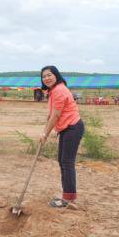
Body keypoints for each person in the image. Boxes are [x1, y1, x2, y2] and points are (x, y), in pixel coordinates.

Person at [40, 66, 85, 208]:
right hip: (67, 129)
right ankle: (67, 195)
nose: (47, 78)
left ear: (56, 75)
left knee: (67, 162)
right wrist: (44, 131)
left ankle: (69, 199)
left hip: (72, 128)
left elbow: (56, 115)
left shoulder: (59, 90)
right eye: (44, 76)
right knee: (63, 161)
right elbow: (51, 114)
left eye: (49, 75)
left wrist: (45, 134)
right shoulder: (54, 90)